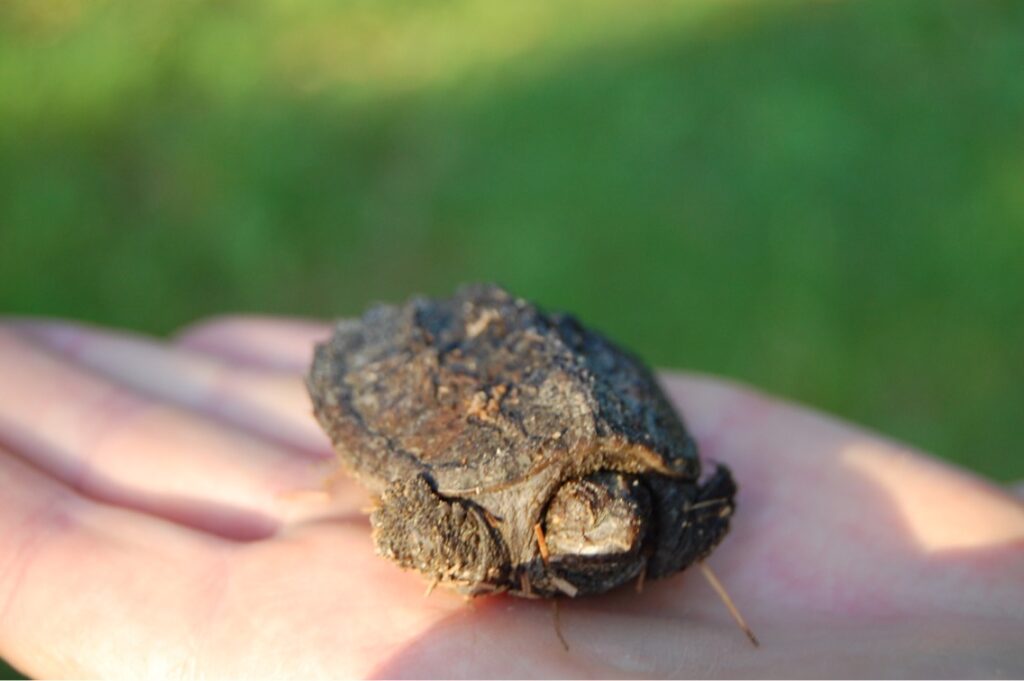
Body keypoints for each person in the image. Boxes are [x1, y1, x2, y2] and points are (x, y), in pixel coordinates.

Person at [0, 317, 1021, 678]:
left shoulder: (652, 512)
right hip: (461, 394)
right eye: (599, 514)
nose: (619, 522)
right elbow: (418, 517)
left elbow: (697, 494)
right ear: (551, 522)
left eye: (621, 506)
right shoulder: (486, 534)